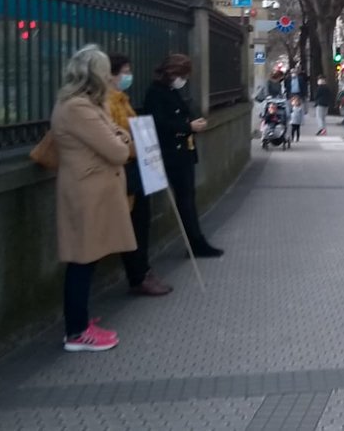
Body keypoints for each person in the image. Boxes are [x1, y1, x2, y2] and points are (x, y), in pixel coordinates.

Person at [52, 45, 136, 351]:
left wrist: (119, 137)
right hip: (86, 193)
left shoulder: (88, 105)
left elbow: (120, 136)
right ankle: (76, 332)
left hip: (93, 191)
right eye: (106, 72)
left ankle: (80, 320)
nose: (113, 78)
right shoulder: (78, 108)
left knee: (88, 259)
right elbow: (118, 150)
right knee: (82, 260)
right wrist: (120, 138)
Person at [143, 54, 224, 258]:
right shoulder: (155, 93)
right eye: (183, 75)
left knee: (188, 198)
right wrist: (187, 126)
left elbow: (182, 113)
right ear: (172, 73)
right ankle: (195, 242)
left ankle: (196, 240)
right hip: (171, 153)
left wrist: (193, 123)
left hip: (183, 152)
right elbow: (159, 123)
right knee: (185, 200)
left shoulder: (172, 91)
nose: (184, 80)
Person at [108, 53, 172, 297]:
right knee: (133, 227)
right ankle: (138, 275)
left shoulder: (123, 100)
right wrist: (138, 147)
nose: (128, 76)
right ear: (111, 75)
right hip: (124, 172)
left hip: (137, 170)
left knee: (141, 224)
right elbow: (117, 140)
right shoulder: (108, 104)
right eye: (124, 71)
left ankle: (142, 271)